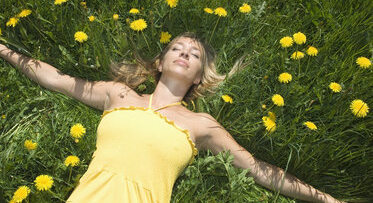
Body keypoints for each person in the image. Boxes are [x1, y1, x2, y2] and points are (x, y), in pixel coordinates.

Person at [0, 32, 345, 203]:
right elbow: (56, 79)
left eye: (194, 54)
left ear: (197, 77)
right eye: (177, 48)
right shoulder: (118, 94)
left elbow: (258, 169)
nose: (184, 53)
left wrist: (327, 199)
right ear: (160, 63)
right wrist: (4, 50)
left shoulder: (202, 126)